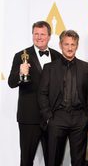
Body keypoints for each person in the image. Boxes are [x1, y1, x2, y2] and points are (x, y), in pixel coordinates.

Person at [38, 30, 88, 166]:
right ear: (60, 45)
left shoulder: (86, 67)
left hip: (79, 118)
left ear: (77, 46)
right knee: (53, 160)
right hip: (57, 117)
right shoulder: (49, 68)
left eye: (73, 44)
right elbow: (42, 94)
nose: (70, 48)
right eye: (66, 44)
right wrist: (49, 117)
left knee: (79, 160)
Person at [8, 21, 61, 166]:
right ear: (32, 35)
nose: (39, 37)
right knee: (26, 160)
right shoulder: (21, 55)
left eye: (42, 34)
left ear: (49, 36)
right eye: (36, 34)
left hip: (52, 118)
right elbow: (11, 83)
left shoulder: (58, 56)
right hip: (29, 117)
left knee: (53, 160)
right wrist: (20, 73)